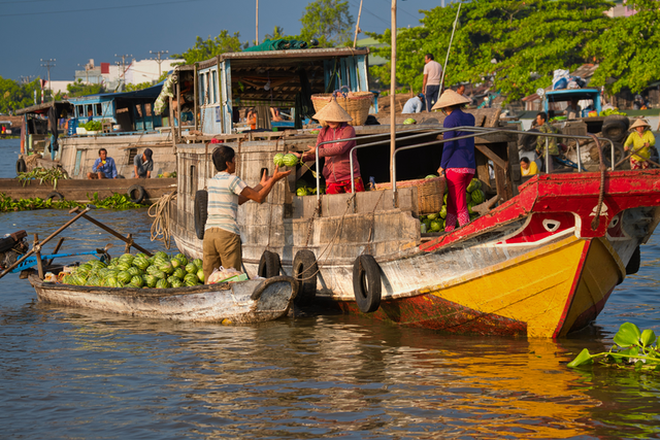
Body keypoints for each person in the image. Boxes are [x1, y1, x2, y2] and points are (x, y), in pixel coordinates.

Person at [203, 145, 291, 281]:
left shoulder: (212, 181)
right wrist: (273, 180)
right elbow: (258, 197)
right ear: (228, 163)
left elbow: (240, 199)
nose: (235, 163)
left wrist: (261, 184)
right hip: (226, 233)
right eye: (234, 160)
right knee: (231, 277)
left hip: (209, 234)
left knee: (211, 277)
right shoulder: (232, 180)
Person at [299, 98, 365, 194]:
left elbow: (340, 149)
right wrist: (301, 156)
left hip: (350, 176)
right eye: (328, 118)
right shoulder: (323, 131)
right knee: (333, 206)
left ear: (340, 118)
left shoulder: (348, 130)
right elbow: (318, 154)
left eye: (333, 118)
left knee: (358, 205)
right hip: (331, 178)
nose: (330, 121)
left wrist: (317, 151)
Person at [432, 89, 474, 232]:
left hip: (455, 167)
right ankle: (448, 230)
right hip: (470, 166)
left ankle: (466, 230)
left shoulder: (449, 120)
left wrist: (442, 165)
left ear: (445, 107)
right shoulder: (470, 118)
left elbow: (448, 145)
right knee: (452, 200)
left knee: (459, 202)